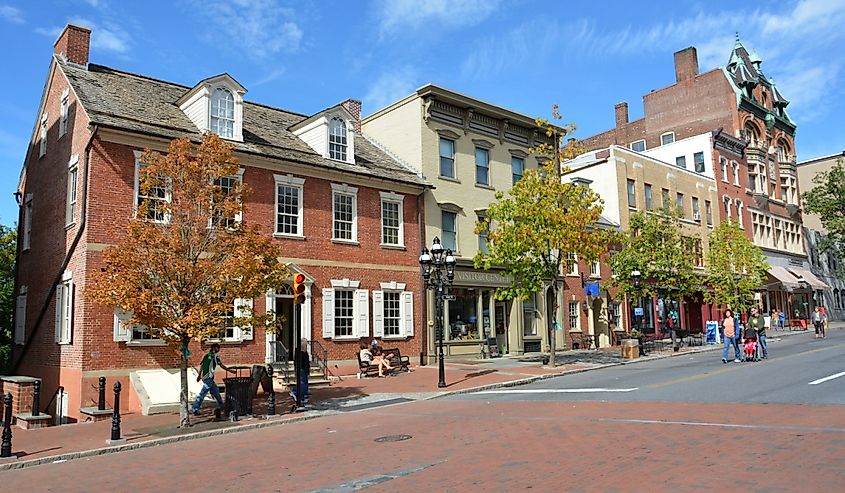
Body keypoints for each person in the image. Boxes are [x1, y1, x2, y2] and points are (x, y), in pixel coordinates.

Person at [191, 343, 235, 415]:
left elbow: (202, 366)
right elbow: (221, 365)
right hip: (209, 377)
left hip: (206, 377)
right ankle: (194, 409)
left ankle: (222, 406)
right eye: (218, 348)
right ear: (214, 348)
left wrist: (199, 375)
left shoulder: (206, 356)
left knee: (216, 391)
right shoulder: (215, 356)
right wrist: (229, 370)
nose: (219, 350)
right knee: (202, 393)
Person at [291, 337, 310, 404]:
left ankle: (302, 397)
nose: (306, 346)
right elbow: (302, 363)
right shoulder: (301, 353)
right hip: (302, 370)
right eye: (306, 344)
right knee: (303, 384)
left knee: (304, 384)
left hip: (302, 370)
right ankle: (294, 392)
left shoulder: (302, 352)